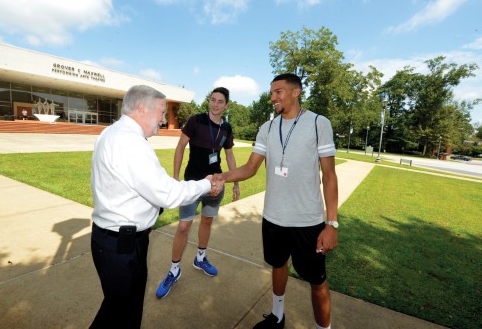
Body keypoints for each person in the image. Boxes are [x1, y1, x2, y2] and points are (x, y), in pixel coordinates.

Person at [90, 85, 223, 328]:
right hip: (122, 247)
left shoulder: (111, 133)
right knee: (120, 316)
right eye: (161, 112)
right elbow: (168, 194)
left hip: (113, 240)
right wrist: (205, 184)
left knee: (117, 311)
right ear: (142, 109)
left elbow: (127, 189)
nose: (164, 119)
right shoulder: (130, 143)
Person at [216, 73, 338, 329]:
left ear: (296, 92)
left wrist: (331, 224)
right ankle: (277, 315)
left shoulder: (318, 123)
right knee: (278, 266)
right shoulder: (267, 128)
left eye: (278, 92)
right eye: (271, 92)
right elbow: (250, 168)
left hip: (308, 222)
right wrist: (221, 177)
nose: (272, 97)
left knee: (317, 281)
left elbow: (329, 176)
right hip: (273, 218)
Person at [155, 87, 240, 299]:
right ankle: (174, 270)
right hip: (192, 183)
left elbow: (229, 156)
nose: (215, 104)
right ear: (208, 101)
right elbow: (180, 147)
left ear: (226, 105)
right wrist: (175, 177)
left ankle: (200, 258)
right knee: (183, 226)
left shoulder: (227, 129)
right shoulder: (195, 120)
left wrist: (235, 182)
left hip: (215, 185)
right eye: (213, 100)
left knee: (207, 222)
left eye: (220, 101)